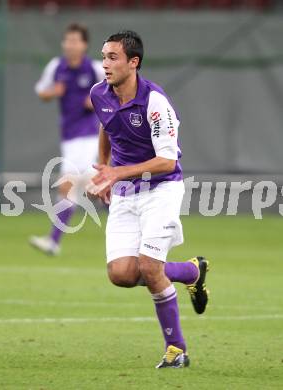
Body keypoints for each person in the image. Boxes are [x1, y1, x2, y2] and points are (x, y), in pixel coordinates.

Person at [89, 30, 210, 368]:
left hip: (162, 189)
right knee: (122, 273)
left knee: (149, 267)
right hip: (127, 191)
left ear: (133, 62)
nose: (105, 64)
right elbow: (106, 126)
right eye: (104, 57)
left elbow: (167, 161)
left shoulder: (155, 102)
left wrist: (116, 173)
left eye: (113, 57)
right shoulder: (100, 94)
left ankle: (177, 350)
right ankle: (190, 271)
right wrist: (106, 169)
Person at [30, 23, 104, 255]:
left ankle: (53, 241)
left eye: (75, 40)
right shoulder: (56, 66)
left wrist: (96, 102)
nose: (70, 45)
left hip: (89, 135)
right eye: (67, 40)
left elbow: (113, 92)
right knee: (95, 186)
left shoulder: (95, 69)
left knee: (68, 185)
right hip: (69, 136)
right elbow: (41, 91)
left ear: (84, 45)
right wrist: (54, 92)